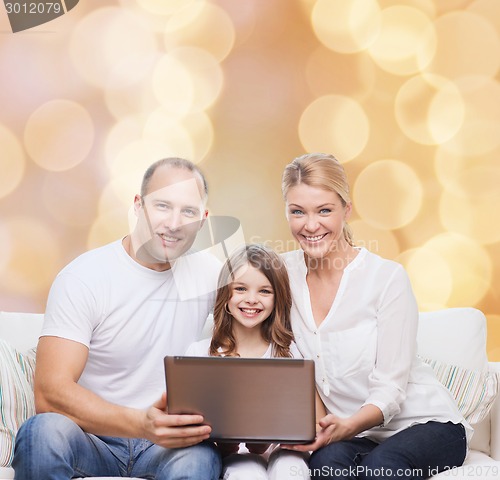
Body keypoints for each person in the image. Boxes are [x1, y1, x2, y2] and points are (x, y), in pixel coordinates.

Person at [13, 158, 223, 480]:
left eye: (189, 212)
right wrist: (142, 424)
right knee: (42, 432)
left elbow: (268, 314)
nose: (175, 222)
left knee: (200, 457)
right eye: (163, 206)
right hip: (93, 437)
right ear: (138, 206)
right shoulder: (85, 276)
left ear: (203, 220)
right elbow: (49, 392)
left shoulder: (212, 275)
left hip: (167, 446)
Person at [280, 153, 470, 479]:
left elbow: (390, 389)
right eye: (298, 212)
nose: (310, 225)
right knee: (325, 466)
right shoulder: (281, 275)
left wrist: (347, 426)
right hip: (356, 435)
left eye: (324, 210)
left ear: (346, 210)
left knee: (381, 469)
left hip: (426, 424)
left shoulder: (385, 278)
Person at [186, 243, 313, 480]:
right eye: (241, 289)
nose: (252, 299)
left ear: (277, 299)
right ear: (226, 295)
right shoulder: (200, 354)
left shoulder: (289, 354)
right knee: (246, 472)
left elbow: (304, 420)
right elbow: (188, 422)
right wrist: (222, 443)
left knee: (290, 470)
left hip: (281, 450)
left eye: (264, 291)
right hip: (230, 454)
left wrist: (272, 439)